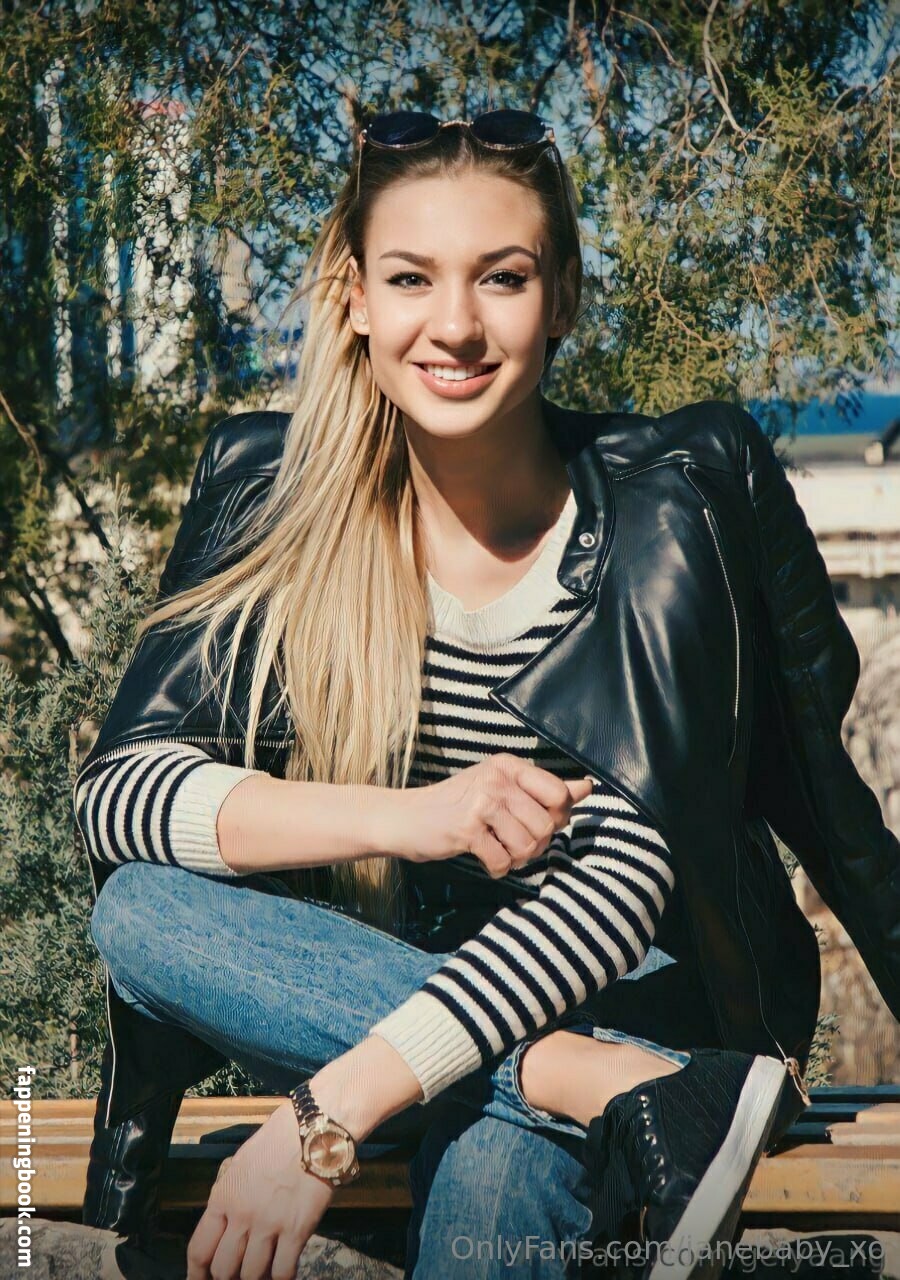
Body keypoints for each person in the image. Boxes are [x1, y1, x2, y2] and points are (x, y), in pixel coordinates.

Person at [73, 110, 900, 1280]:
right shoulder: (271, 495)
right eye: (412, 278)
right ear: (357, 300)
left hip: (628, 983)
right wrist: (419, 815)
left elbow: (635, 866)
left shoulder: (668, 508)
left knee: (489, 1180)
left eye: (502, 277)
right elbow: (116, 797)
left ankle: (575, 1069)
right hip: (386, 995)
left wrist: (332, 1108)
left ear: (561, 297)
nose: (455, 324)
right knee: (139, 910)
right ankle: (588, 1079)